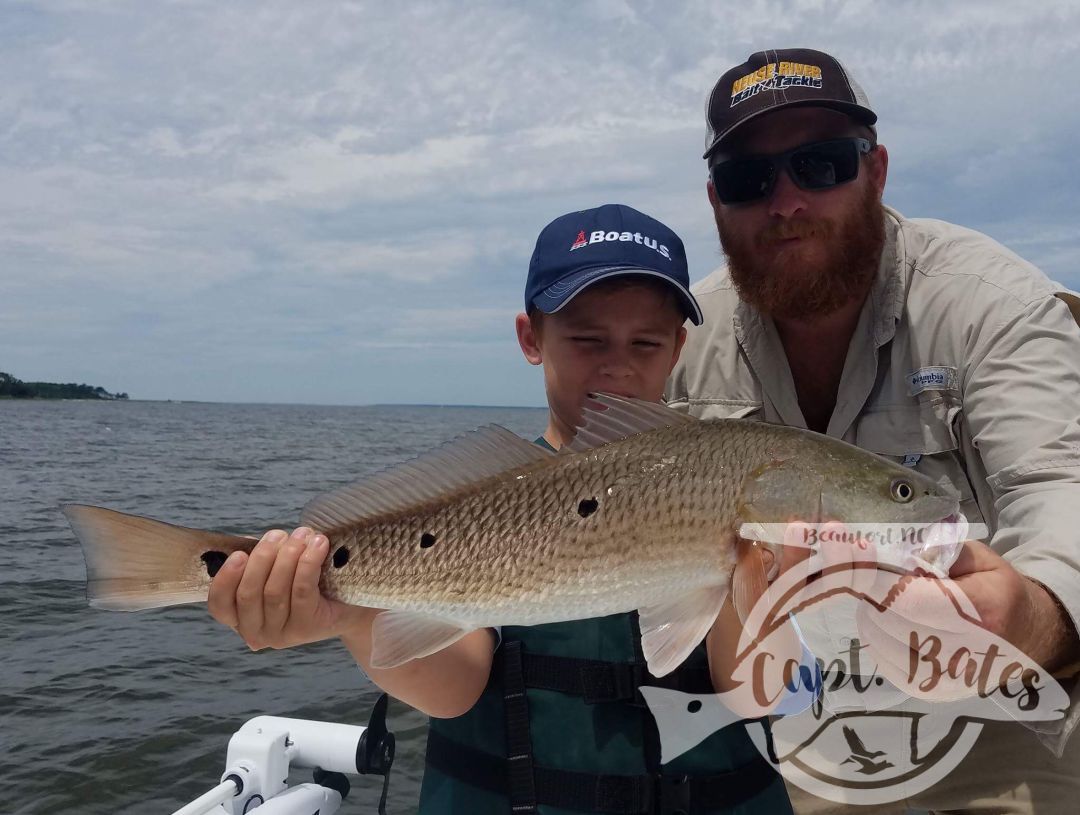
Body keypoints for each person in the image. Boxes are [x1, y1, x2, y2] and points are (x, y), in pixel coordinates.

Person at [208, 203, 796, 814]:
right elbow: (457, 688)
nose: (616, 363)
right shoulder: (483, 498)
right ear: (530, 338)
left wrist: (757, 568)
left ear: (678, 347)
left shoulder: (735, 477)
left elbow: (760, 691)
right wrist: (350, 617)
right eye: (587, 338)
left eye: (645, 342)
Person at [665, 47, 1080, 814]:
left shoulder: (991, 303)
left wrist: (1027, 613)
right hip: (808, 728)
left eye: (820, 165)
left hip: (1008, 711)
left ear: (877, 171)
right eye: (747, 180)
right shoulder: (691, 335)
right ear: (716, 201)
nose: (784, 201)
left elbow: (1061, 486)